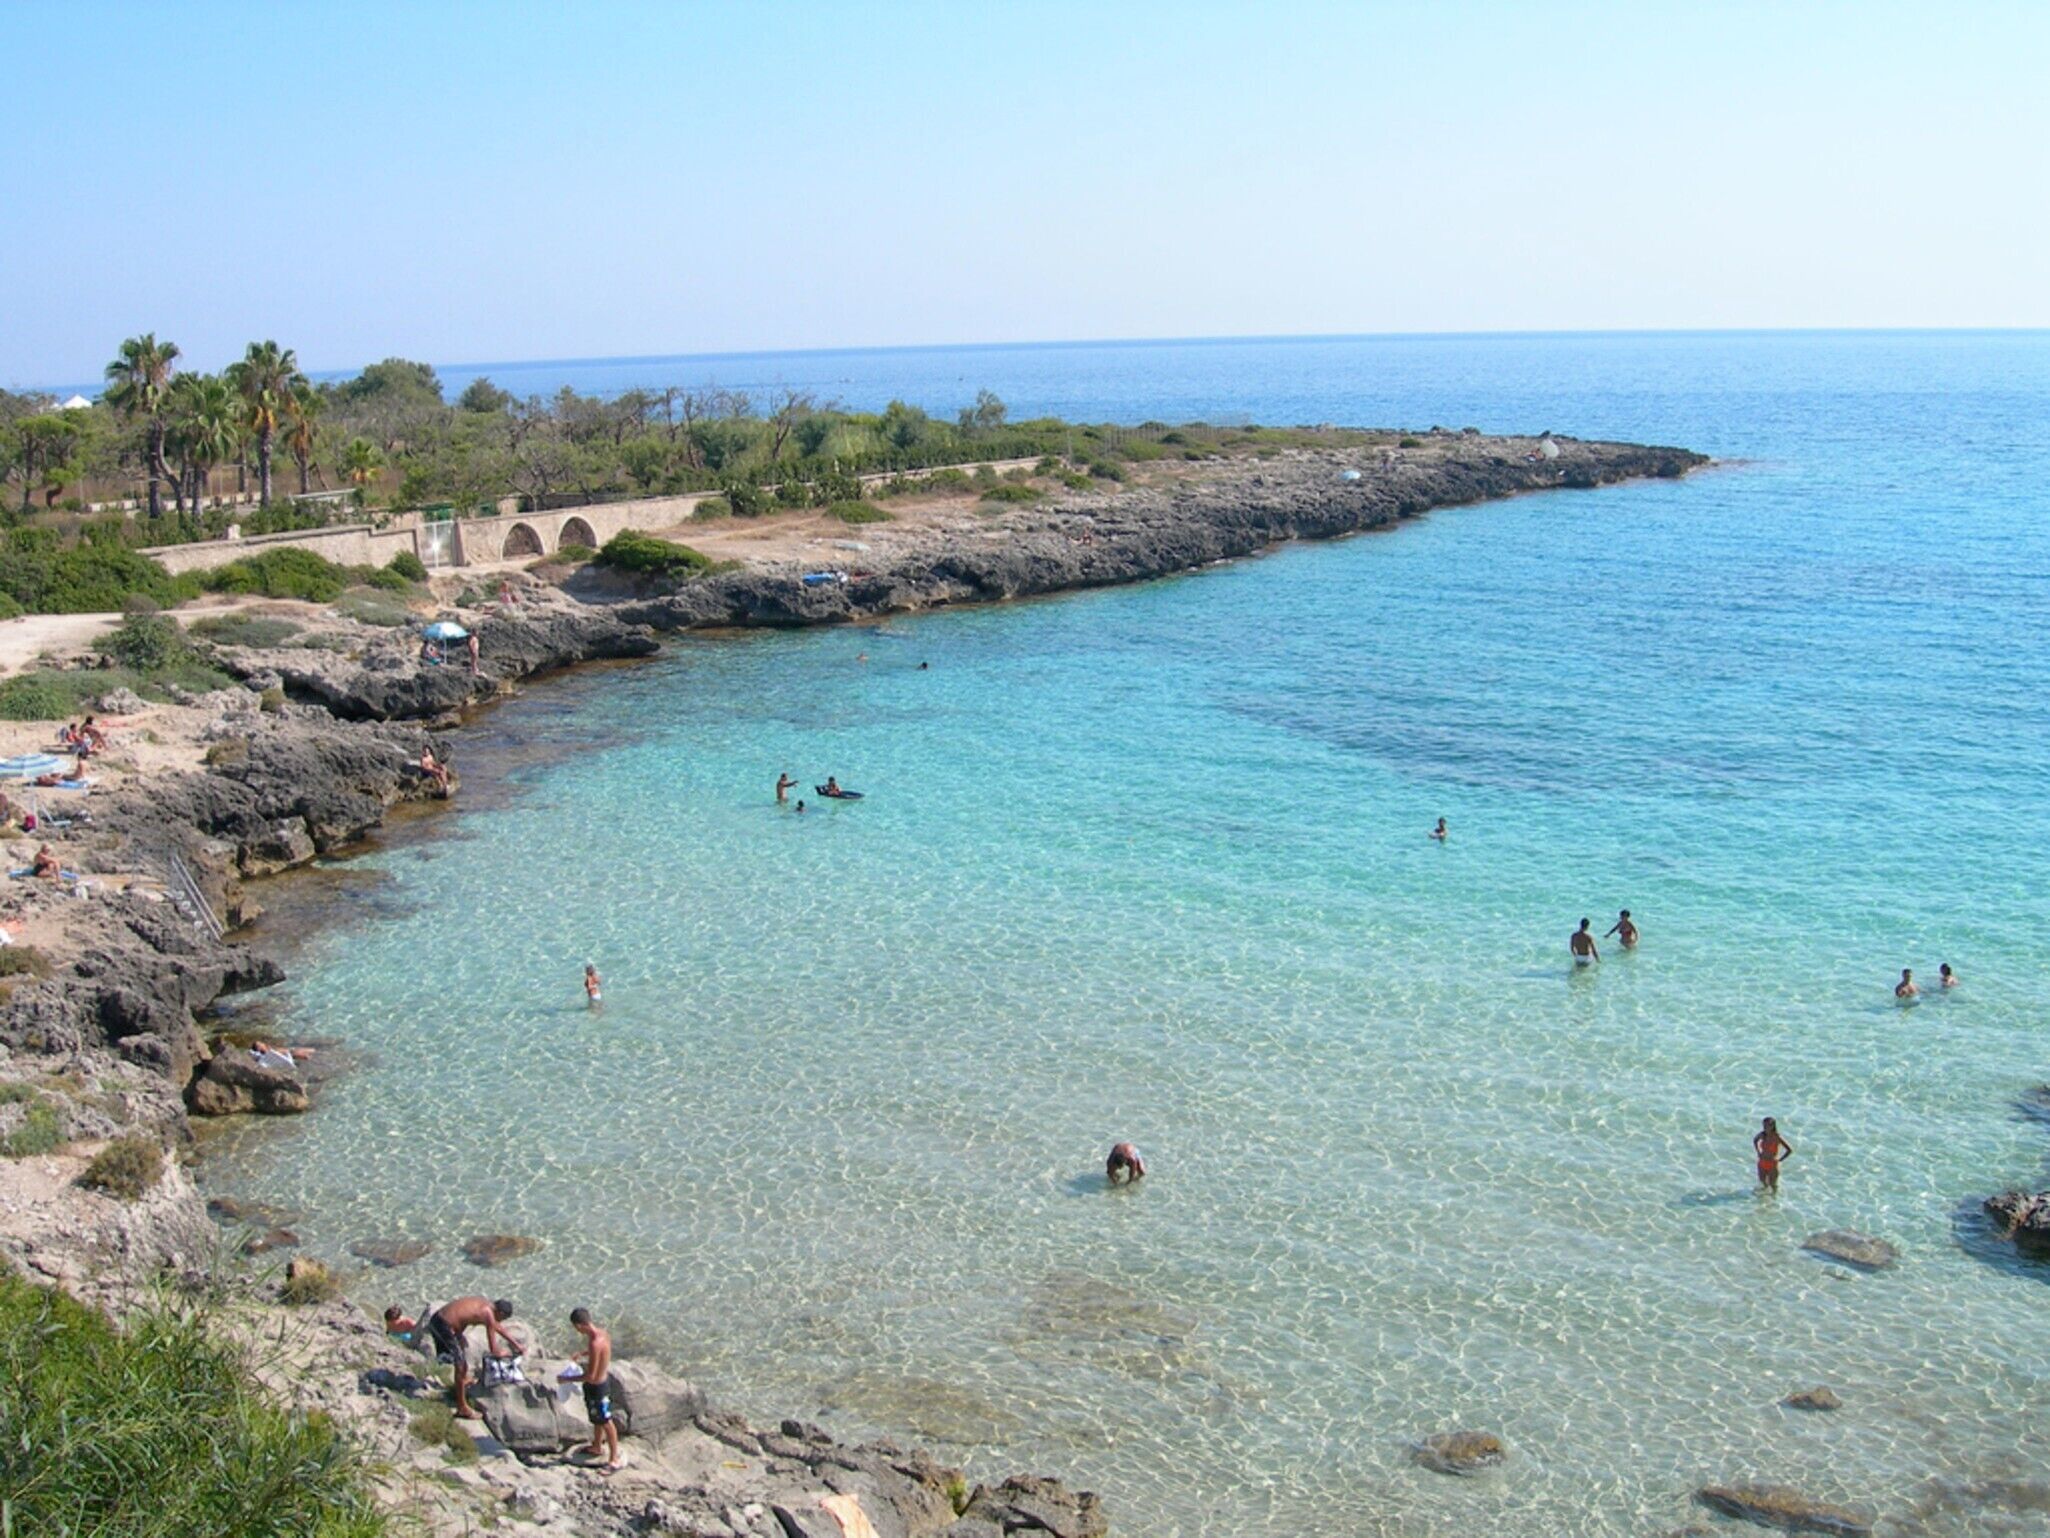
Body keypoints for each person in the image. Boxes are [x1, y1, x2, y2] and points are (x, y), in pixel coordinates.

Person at [426, 1296, 522, 1419]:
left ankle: (462, 1381)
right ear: (500, 1313)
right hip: (443, 1326)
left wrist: (516, 1344)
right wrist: (504, 1353)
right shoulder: (488, 1313)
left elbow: (494, 1325)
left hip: (438, 1319)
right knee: (461, 1365)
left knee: (458, 1358)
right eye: (503, 1318)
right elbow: (494, 1350)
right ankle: (462, 1408)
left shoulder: (485, 1304)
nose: (502, 1321)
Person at [569, 1307, 622, 1471]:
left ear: (579, 1325)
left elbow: (590, 1376)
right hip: (602, 1382)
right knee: (597, 1418)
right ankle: (597, 1446)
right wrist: (583, 1353)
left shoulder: (593, 1343)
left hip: (597, 1387)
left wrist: (566, 1379)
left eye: (576, 1327)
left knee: (606, 1421)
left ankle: (614, 1459)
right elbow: (600, 1351)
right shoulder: (603, 1334)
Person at [1753, 1117, 1793, 1190]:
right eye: (1764, 1126)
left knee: (1773, 1186)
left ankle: (1774, 1200)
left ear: (1772, 1126)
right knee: (1763, 1185)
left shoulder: (1777, 1137)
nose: (1765, 1128)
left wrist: (1780, 1160)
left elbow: (1789, 1150)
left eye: (1767, 1126)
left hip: (1772, 1164)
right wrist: (1758, 1152)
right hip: (1762, 1163)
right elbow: (1755, 1140)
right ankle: (1762, 1200)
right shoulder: (1762, 1135)